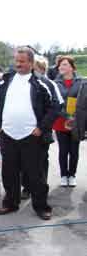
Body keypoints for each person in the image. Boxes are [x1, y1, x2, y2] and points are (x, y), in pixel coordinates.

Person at [0, 47, 58, 220]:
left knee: (36, 175)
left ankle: (41, 207)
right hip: (8, 136)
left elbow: (55, 107)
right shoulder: (5, 81)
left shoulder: (42, 82)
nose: (18, 64)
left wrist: (42, 127)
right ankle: (11, 203)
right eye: (17, 61)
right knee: (9, 173)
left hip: (32, 137)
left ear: (31, 63)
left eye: (22, 61)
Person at [21, 56, 64, 199]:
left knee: (41, 161)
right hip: (24, 131)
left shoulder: (50, 84)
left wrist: (42, 126)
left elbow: (56, 107)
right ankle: (26, 188)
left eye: (36, 68)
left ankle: (40, 189)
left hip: (41, 131)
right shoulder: (23, 84)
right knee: (25, 161)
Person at [52, 56, 84, 187]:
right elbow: (54, 102)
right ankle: (64, 175)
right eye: (60, 65)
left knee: (74, 150)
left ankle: (72, 175)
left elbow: (84, 100)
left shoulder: (81, 81)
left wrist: (75, 116)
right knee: (63, 150)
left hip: (76, 120)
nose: (61, 67)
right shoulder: (55, 83)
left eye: (64, 64)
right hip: (61, 120)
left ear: (71, 67)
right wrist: (66, 116)